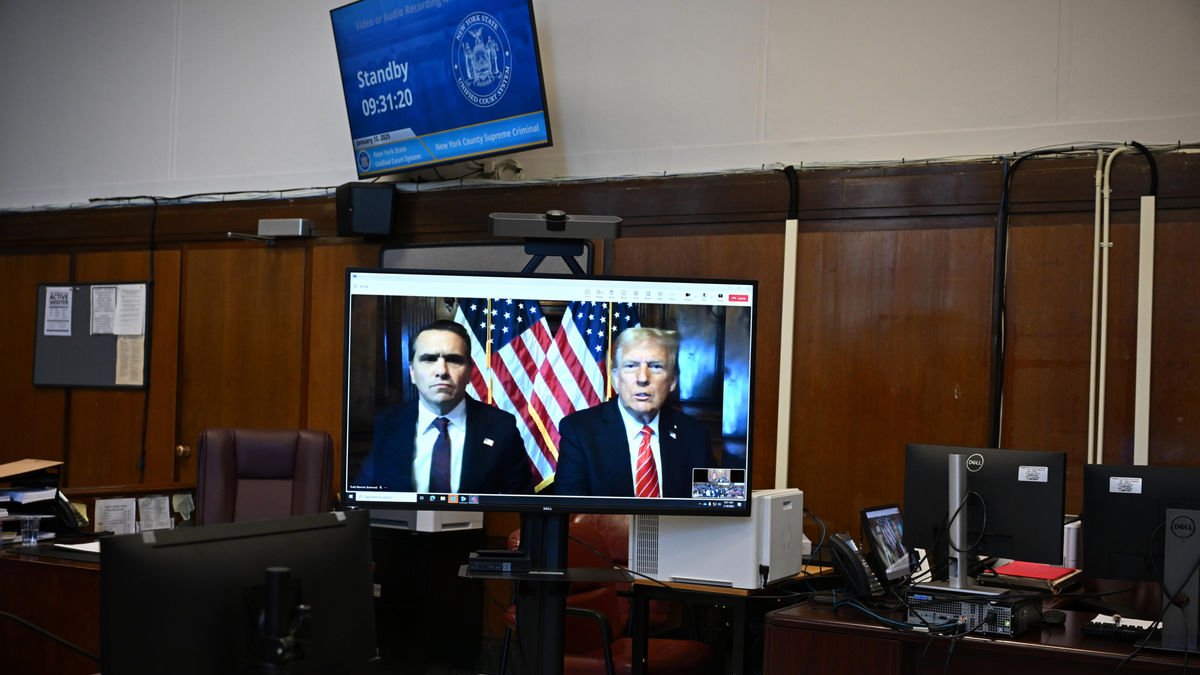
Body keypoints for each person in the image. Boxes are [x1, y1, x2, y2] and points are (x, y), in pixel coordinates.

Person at [354, 320, 532, 494]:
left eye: (453, 360)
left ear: (470, 372)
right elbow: (363, 500)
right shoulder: (384, 426)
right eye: (429, 359)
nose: (442, 371)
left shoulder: (502, 428)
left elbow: (520, 506)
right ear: (412, 372)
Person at [554, 327, 712, 498]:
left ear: (672, 381)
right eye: (631, 366)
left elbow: (712, 506)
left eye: (655, 366)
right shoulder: (579, 431)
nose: (642, 378)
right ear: (615, 378)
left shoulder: (695, 434)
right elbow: (570, 512)